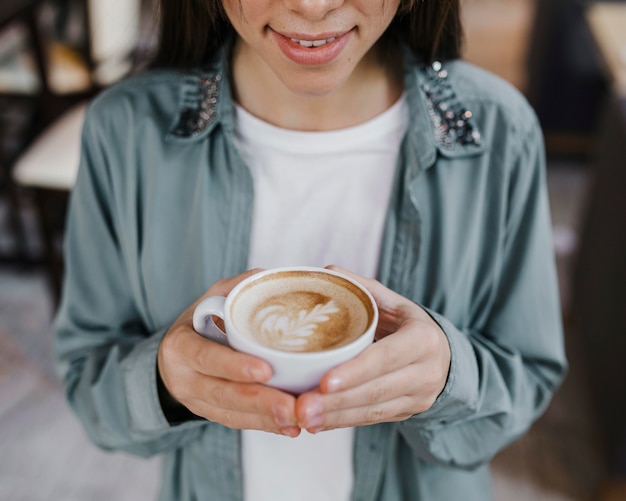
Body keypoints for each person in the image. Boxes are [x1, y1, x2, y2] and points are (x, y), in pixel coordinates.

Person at [53, 0, 568, 500]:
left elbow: (529, 377)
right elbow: (87, 382)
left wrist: (452, 376)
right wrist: (163, 380)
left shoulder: (500, 131)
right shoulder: (124, 132)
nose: (313, 5)